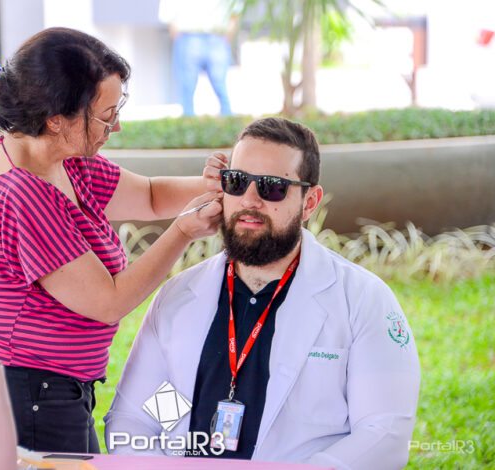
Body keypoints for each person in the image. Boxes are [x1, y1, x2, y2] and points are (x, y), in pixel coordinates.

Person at [0, 27, 228, 454]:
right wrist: (183, 231)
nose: (117, 126)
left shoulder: (56, 155)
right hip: (18, 391)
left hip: (43, 388)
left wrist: (226, 185)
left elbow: (150, 195)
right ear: (56, 118)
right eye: (106, 116)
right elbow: (108, 301)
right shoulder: (22, 192)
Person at [105, 117, 421, 468]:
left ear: (310, 202)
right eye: (237, 182)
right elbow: (136, 419)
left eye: (273, 187)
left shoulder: (361, 300)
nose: (249, 200)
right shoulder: (179, 298)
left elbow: (384, 433)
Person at [159, 0, 235, 116]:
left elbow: (235, 9)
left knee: (221, 84)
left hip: (217, 35)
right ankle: (188, 118)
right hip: (188, 34)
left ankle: (227, 115)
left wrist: (230, 30)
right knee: (187, 85)